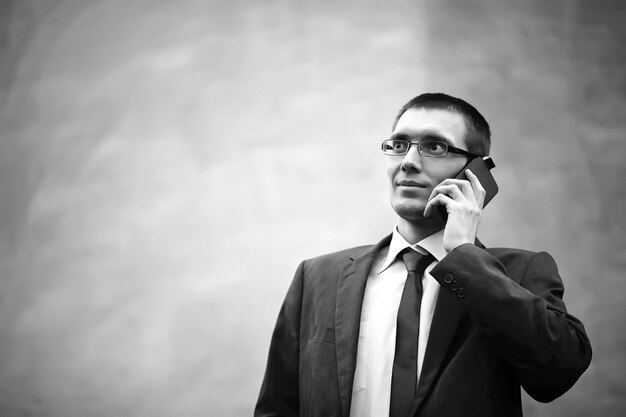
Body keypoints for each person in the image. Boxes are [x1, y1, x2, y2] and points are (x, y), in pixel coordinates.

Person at [254, 93, 592, 417]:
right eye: (398, 145)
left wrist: (463, 254)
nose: (409, 162)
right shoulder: (316, 278)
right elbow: (277, 408)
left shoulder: (518, 272)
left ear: (476, 171)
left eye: (434, 146)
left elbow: (558, 373)